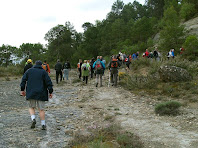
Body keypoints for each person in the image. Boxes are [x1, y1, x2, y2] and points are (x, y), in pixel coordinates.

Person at [20, 60, 53, 130]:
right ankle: (43, 124)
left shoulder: (29, 71)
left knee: (31, 107)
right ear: (41, 65)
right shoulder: (44, 72)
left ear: (34, 64)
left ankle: (33, 119)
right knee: (41, 109)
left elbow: (23, 80)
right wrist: (50, 91)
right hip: (41, 93)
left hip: (31, 92)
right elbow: (48, 82)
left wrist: (22, 90)